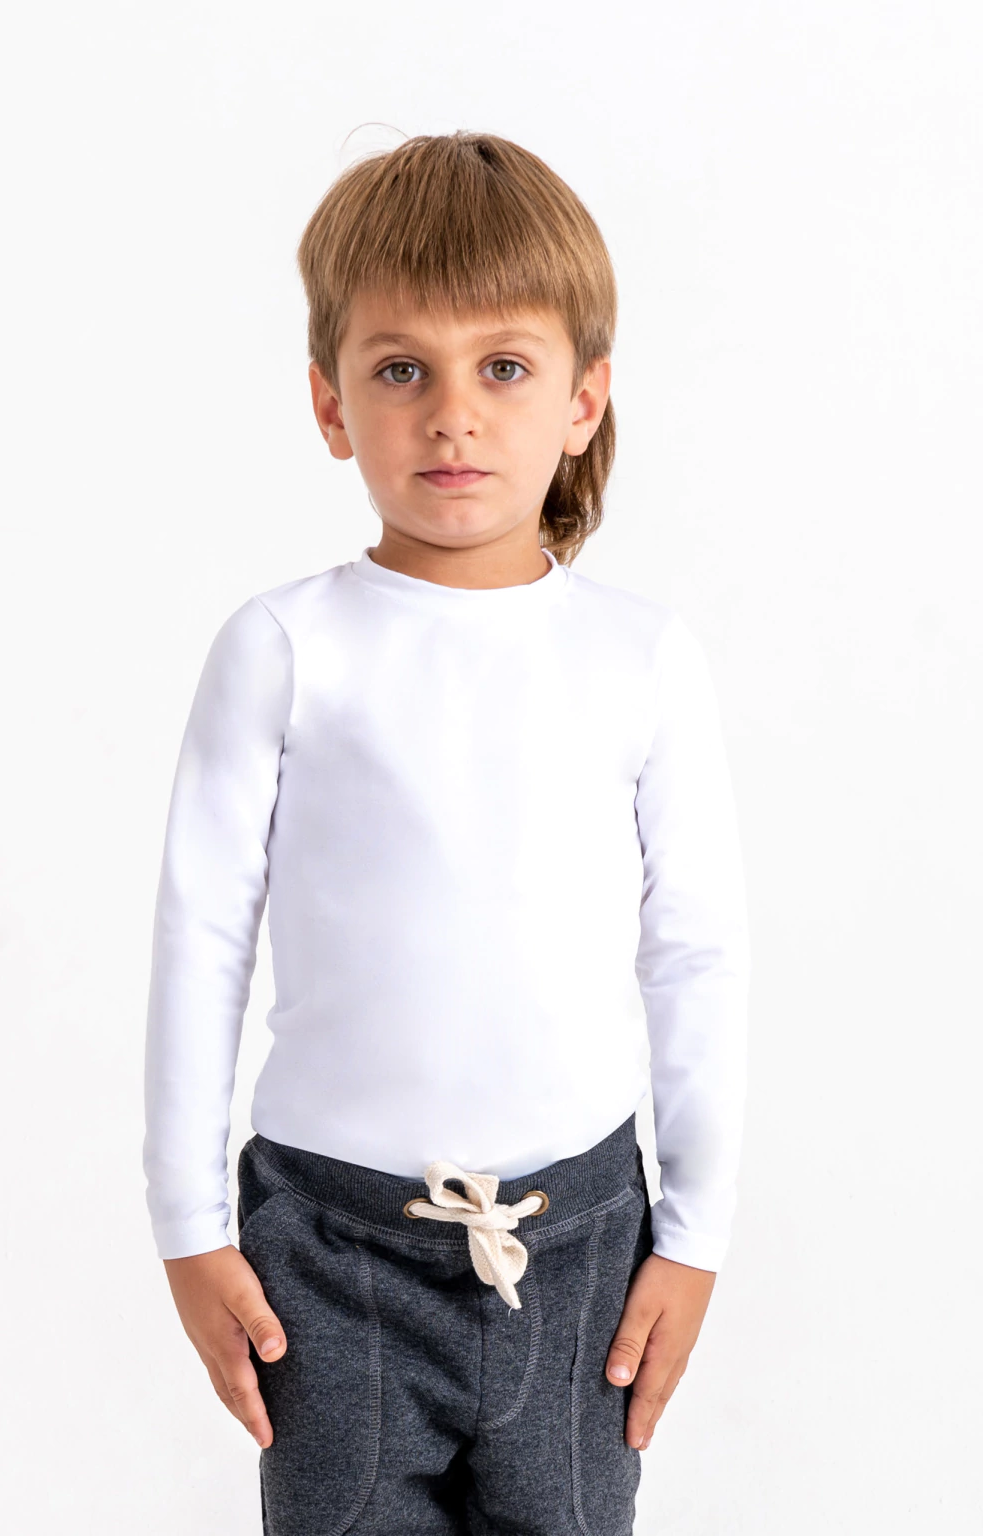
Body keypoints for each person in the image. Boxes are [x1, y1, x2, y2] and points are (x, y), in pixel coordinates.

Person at [143, 130, 750, 1536]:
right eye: (402, 369)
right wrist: (188, 1227)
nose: (453, 417)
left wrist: (697, 1234)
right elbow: (200, 938)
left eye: (506, 368)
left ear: (586, 398)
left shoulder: (642, 660)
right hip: (326, 1247)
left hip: (581, 1245)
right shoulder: (283, 648)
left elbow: (696, 955)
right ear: (330, 401)